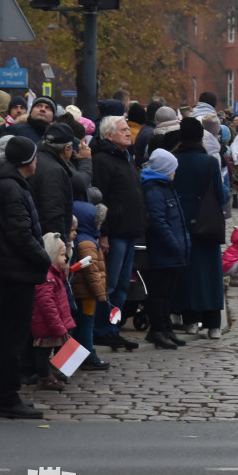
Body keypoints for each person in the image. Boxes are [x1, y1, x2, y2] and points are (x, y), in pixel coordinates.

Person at [0, 136, 52, 419]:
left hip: (9, 269)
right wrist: (44, 257)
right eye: (35, 157)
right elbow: (20, 233)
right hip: (15, 271)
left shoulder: (7, 183)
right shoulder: (11, 188)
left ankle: (5, 396)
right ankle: (6, 398)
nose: (37, 162)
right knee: (11, 338)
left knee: (7, 336)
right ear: (27, 161)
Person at [91, 116, 146, 351]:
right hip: (114, 234)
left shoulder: (126, 158)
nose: (128, 133)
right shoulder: (103, 161)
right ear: (109, 135)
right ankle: (101, 329)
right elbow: (100, 199)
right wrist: (102, 233)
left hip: (129, 232)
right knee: (109, 285)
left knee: (122, 286)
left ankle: (113, 328)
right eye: (123, 130)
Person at [171, 118, 226, 339]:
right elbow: (221, 196)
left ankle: (190, 320)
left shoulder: (173, 160)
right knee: (211, 274)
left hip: (180, 222)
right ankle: (213, 324)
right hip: (208, 223)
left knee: (187, 273)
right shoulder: (210, 162)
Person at [141, 148, 191, 348]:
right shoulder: (154, 189)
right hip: (163, 250)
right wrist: (176, 244)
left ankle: (166, 327)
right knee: (159, 292)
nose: (175, 172)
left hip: (173, 249)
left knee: (168, 291)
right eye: (173, 169)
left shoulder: (165, 186)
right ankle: (157, 329)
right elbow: (158, 221)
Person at [30, 232, 75, 391]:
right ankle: (44, 376)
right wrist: (57, 325)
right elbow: (47, 304)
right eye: (62, 255)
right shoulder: (47, 277)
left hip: (55, 322)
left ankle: (50, 371)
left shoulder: (55, 275)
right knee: (43, 352)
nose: (65, 258)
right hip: (48, 324)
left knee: (51, 349)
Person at [70, 201, 110, 371]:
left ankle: (72, 361)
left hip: (80, 291)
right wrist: (100, 293)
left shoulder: (80, 238)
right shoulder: (87, 242)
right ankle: (88, 356)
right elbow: (91, 272)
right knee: (87, 324)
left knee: (79, 325)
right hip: (87, 293)